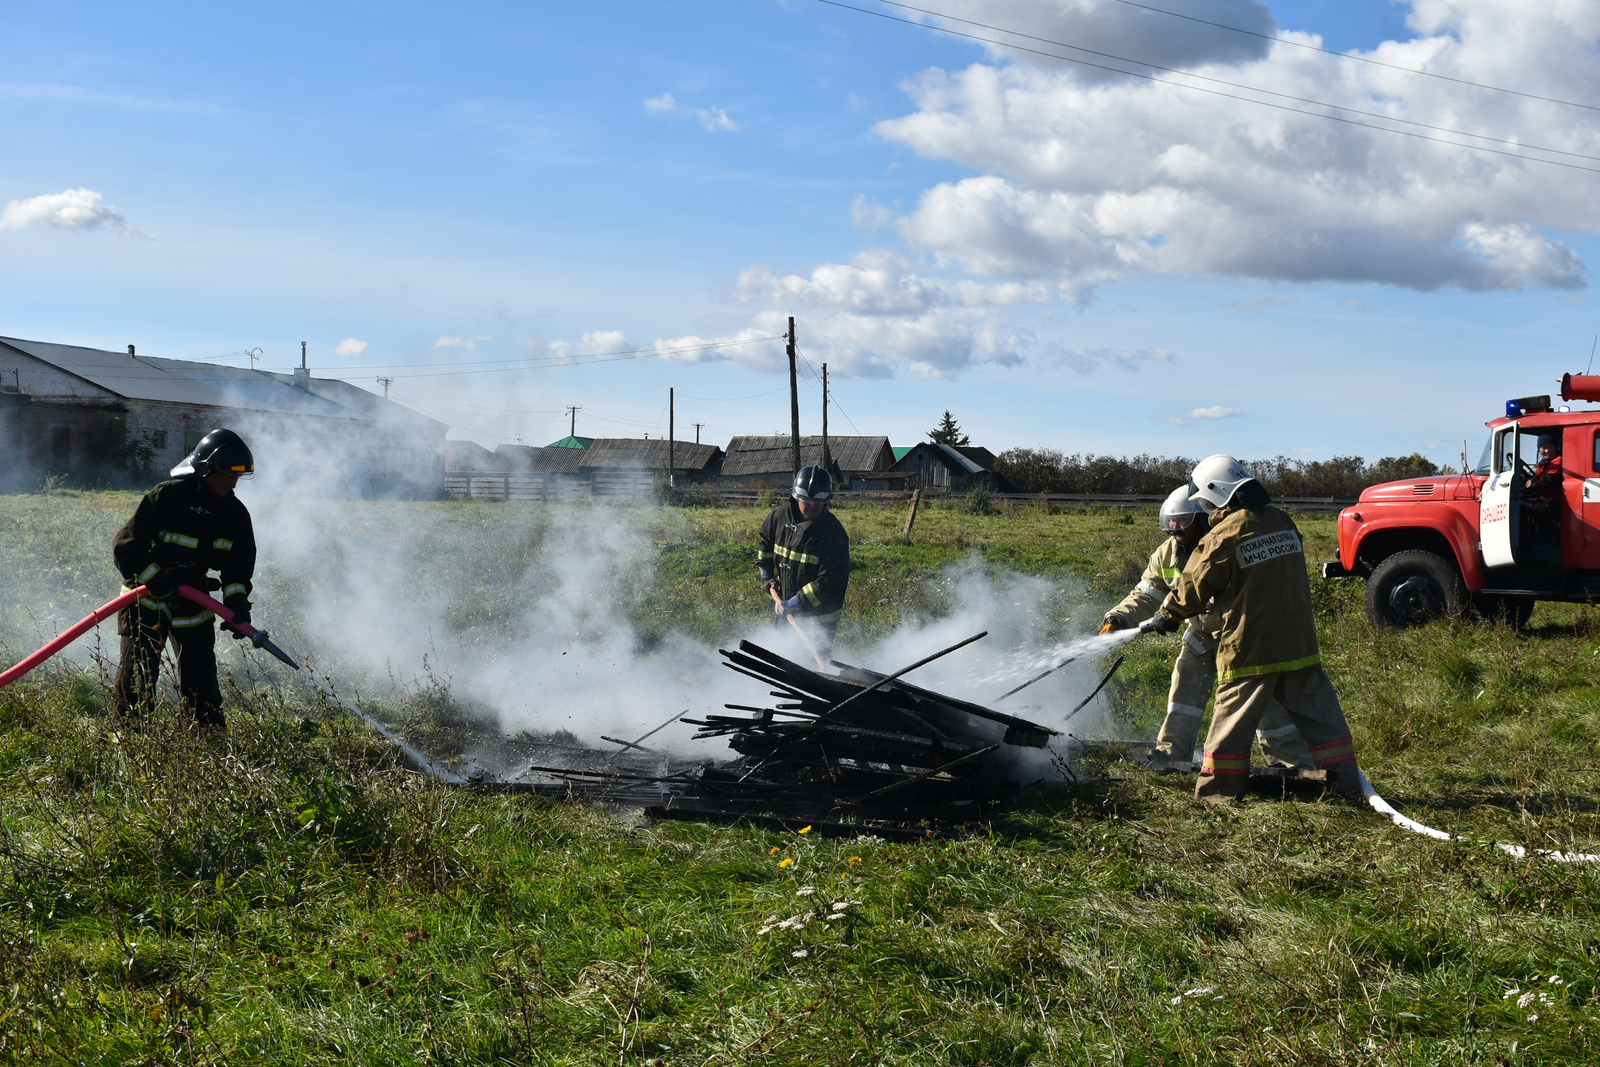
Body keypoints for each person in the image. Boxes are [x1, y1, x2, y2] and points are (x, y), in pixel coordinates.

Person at [1140, 455, 1364, 802]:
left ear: (1217, 492)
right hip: (1300, 646)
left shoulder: (1224, 535)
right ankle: (1349, 787)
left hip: (1250, 650)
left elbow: (1193, 587)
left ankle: (1217, 795)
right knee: (1325, 725)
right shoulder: (1283, 521)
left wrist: (1166, 616)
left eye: (1203, 497)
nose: (1201, 503)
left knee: (1227, 731)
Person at [1102, 486, 1313, 771]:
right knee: (1183, 692)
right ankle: (1171, 753)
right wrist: (1118, 618)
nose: (1175, 527)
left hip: (1241, 635)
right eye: (1171, 521)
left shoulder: (1225, 540)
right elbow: (1146, 594)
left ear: (1203, 518)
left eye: (1184, 520)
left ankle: (1291, 764)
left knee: (1262, 700)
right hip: (1201, 633)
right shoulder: (1167, 554)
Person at [112, 429, 258, 728]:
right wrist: (155, 580)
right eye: (227, 475)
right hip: (145, 596)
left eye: (237, 477)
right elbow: (127, 546)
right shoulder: (167, 496)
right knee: (139, 674)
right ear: (205, 469)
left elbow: (237, 567)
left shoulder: (235, 514)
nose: (233, 483)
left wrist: (237, 604)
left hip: (193, 597)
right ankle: (128, 741)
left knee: (202, 676)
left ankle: (209, 742)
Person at [757, 465, 850, 659]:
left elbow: (831, 580)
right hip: (785, 614)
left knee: (813, 672)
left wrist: (796, 602)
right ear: (796, 496)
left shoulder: (833, 533)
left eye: (819, 501)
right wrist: (766, 574)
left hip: (819, 621)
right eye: (807, 500)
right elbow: (765, 547)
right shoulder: (777, 518)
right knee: (782, 662)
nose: (813, 505)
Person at [1520, 432, 1566, 552]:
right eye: (1543, 447)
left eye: (1550, 447)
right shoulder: (1545, 463)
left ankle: (1523, 544)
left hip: (1550, 503)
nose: (1546, 451)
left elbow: (1546, 483)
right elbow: (1539, 477)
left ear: (1556, 447)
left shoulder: (1557, 462)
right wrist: (1532, 480)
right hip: (1544, 500)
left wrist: (1523, 493)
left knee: (1517, 505)